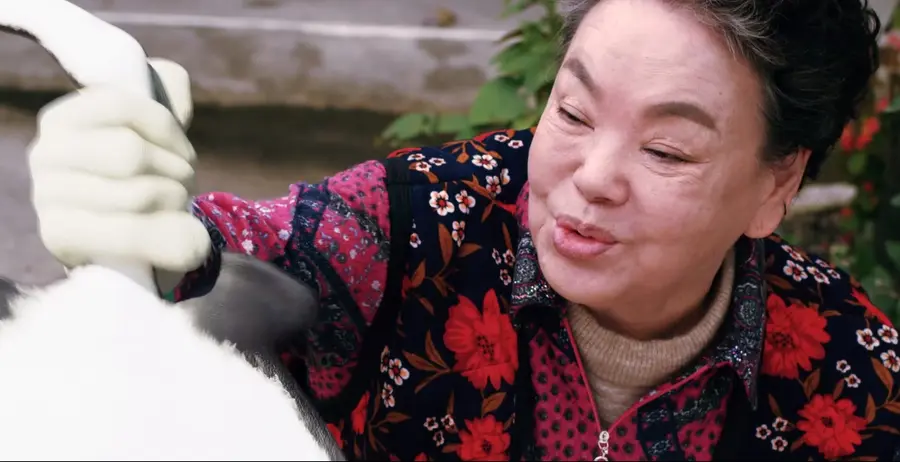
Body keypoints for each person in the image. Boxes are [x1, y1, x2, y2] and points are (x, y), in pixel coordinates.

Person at [25, 0, 900, 459]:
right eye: (573, 111)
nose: (592, 177)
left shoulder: (854, 380)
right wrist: (135, 221)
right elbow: (230, 257)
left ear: (777, 184)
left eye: (666, 149)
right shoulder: (421, 225)